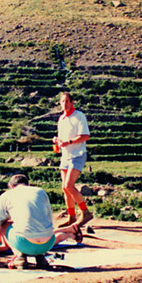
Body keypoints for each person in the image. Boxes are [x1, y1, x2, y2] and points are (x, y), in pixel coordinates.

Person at [53, 92, 93, 227]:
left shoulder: (79, 116)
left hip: (77, 155)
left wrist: (68, 142)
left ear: (72, 102)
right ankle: (71, 217)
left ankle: (85, 212)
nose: (64, 104)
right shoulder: (61, 119)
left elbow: (85, 136)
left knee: (68, 186)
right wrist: (57, 142)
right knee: (65, 189)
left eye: (66, 101)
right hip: (65, 155)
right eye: (62, 101)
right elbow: (62, 138)